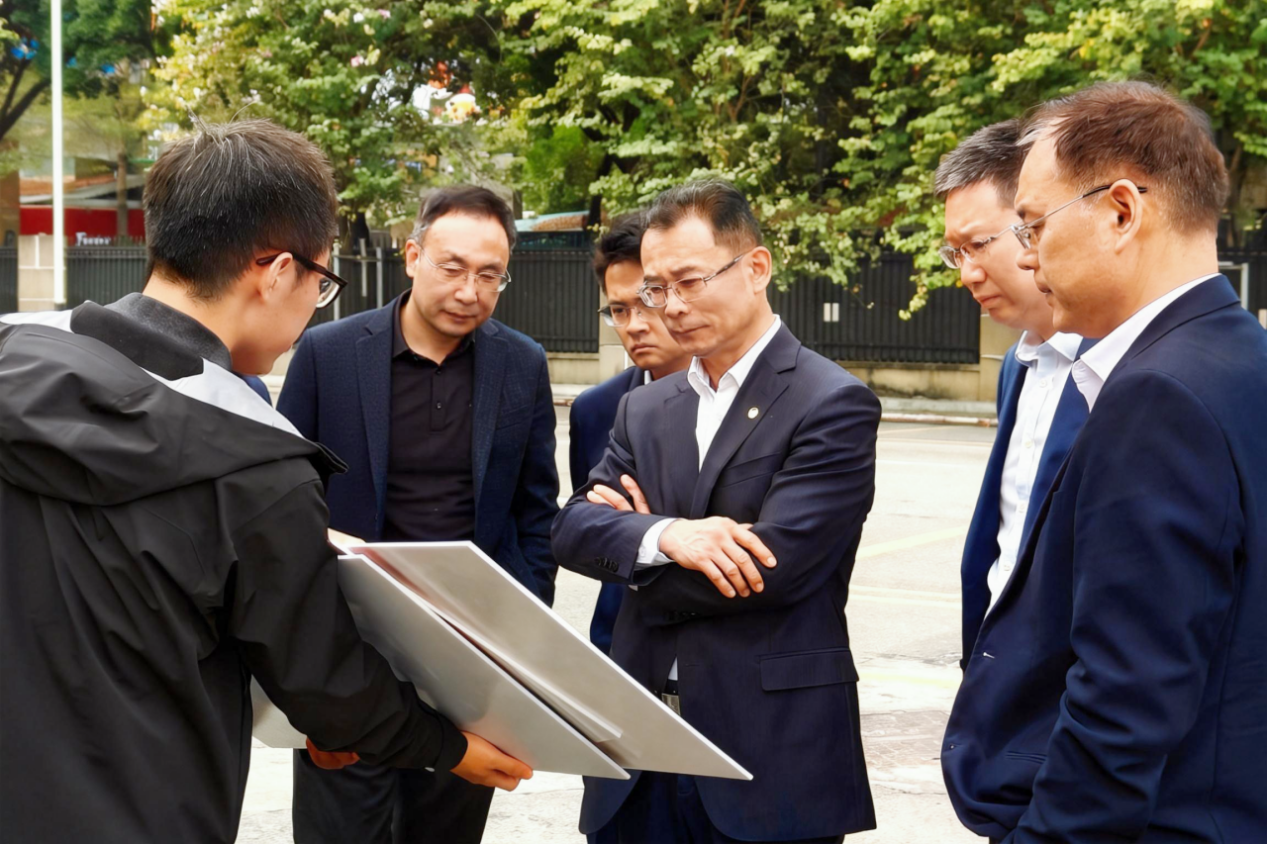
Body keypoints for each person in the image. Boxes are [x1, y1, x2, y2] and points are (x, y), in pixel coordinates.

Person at [0, 120, 530, 844]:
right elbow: (324, 681)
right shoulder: (253, 465)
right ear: (278, 272)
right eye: (321, 281)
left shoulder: (14, 353)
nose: (315, 304)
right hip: (148, 803)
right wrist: (451, 747)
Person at [942, 81, 1267, 842]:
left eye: (1031, 224)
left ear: (1121, 211)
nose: (1027, 254)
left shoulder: (1155, 394)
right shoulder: (1240, 356)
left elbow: (1124, 701)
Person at [552, 179, 880, 844]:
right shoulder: (644, 407)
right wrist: (669, 535)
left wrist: (631, 548)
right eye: (655, 288)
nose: (670, 306)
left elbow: (770, 570)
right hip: (640, 748)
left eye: (689, 281)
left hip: (767, 755)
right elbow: (571, 529)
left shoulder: (830, 402)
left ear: (755, 268)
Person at [279, 185, 560, 844]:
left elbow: (535, 512)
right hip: (350, 651)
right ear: (412, 257)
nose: (469, 291)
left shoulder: (522, 364)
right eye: (452, 267)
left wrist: (516, 633)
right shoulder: (327, 354)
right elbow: (283, 497)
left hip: (468, 657)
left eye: (489, 275)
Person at [933, 120, 1091, 670]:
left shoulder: (1123, 369)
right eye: (955, 253)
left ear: (1034, 222)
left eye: (978, 244)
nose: (968, 273)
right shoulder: (1016, 368)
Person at [569, 211, 691, 657]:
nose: (634, 324)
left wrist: (643, 529)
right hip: (618, 645)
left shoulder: (741, 398)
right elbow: (587, 535)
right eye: (619, 310)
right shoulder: (594, 410)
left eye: (647, 301)